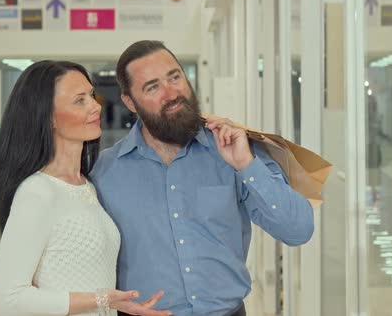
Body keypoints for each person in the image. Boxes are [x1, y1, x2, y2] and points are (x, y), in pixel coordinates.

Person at [91, 40, 314, 316]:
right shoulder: (104, 173)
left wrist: (247, 164)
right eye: (153, 87)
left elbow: (298, 230)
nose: (171, 93)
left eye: (175, 77)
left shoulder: (234, 151)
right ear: (130, 102)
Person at [0, 60, 171, 316]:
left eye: (91, 95)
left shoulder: (87, 186)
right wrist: (100, 299)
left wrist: (114, 303)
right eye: (80, 100)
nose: (96, 106)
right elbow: (9, 300)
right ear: (48, 117)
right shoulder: (37, 192)